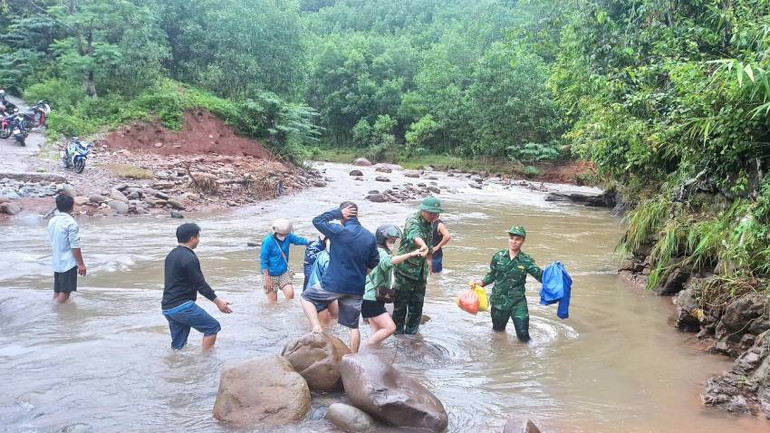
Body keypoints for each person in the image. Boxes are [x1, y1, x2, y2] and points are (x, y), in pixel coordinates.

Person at [301, 202, 379, 353]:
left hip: (333, 284)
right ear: (357, 215)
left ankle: (316, 327)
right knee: (353, 327)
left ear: (344, 215)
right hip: (356, 287)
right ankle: (353, 356)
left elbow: (317, 221)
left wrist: (337, 213)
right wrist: (363, 273)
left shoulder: (338, 231)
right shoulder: (369, 236)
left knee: (306, 298)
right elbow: (375, 260)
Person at [162, 223, 232, 351]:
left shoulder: (171, 255)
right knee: (212, 327)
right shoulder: (189, 258)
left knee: (178, 347)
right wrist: (218, 302)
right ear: (192, 238)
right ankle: (206, 363)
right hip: (182, 306)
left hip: (168, 307)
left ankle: (176, 368)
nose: (199, 240)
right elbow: (200, 284)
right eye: (198, 237)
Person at [475, 225, 543, 342]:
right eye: (512, 238)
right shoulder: (498, 256)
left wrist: (556, 277)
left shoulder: (526, 260)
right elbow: (492, 274)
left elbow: (541, 276)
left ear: (523, 241)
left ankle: (526, 357)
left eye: (517, 239)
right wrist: (481, 282)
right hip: (499, 301)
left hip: (518, 302)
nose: (514, 242)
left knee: (523, 335)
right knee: (498, 332)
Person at [363, 224, 426, 346]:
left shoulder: (378, 250)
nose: (393, 243)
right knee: (390, 328)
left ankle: (373, 355)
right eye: (390, 241)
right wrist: (410, 254)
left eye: (394, 241)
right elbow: (390, 262)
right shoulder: (381, 253)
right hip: (371, 299)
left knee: (377, 332)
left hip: (371, 298)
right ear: (382, 239)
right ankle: (364, 347)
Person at [392, 196, 441, 334]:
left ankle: (412, 333)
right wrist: (423, 245)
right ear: (422, 210)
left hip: (420, 271)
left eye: (436, 213)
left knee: (417, 304)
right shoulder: (412, 220)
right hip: (405, 269)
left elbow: (429, 244)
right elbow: (415, 235)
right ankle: (397, 333)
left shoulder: (430, 222)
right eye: (431, 213)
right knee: (401, 305)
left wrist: (429, 260)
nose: (434, 216)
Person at [47, 194, 87, 304]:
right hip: (68, 263)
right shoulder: (71, 223)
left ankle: (53, 313)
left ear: (57, 206)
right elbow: (74, 245)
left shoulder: (52, 221)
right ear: (72, 207)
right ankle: (60, 316)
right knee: (65, 292)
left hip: (57, 261)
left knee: (57, 291)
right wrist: (81, 264)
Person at [260, 218, 309, 302]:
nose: (283, 236)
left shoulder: (288, 236)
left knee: (290, 294)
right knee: (273, 302)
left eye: (285, 235)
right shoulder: (268, 241)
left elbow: (299, 240)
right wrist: (267, 279)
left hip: (283, 272)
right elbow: (263, 261)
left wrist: (311, 242)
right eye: (281, 234)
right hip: (270, 275)